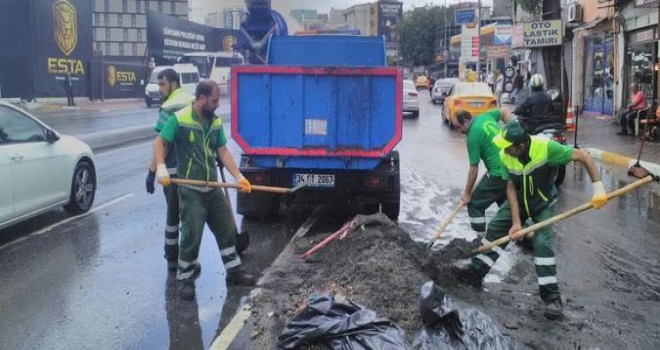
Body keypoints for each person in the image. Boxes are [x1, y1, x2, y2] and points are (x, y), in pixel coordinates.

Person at [452, 120, 608, 320]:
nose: (504, 151)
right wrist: (516, 223)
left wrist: (599, 188)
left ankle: (552, 298)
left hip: (542, 203)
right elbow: (509, 187)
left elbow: (583, 155)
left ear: (521, 146)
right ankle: (476, 271)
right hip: (518, 200)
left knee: (542, 244)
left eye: (508, 148)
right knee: (496, 229)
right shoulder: (505, 155)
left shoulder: (546, 149)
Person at [153, 80, 254, 300]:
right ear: (201, 98)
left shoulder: (215, 122)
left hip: (212, 187)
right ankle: (184, 279)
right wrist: (160, 168)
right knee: (191, 234)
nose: (218, 105)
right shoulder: (180, 119)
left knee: (226, 229)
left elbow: (223, 151)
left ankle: (234, 271)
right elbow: (159, 143)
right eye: (215, 100)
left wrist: (238, 176)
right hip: (191, 189)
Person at [146, 68, 194, 271]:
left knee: (173, 215)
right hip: (194, 171)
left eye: (162, 84)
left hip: (174, 171)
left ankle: (172, 257)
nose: (159, 89)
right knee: (190, 216)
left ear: (174, 83)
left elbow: (162, 144)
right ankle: (187, 259)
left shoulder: (169, 107)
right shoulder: (192, 99)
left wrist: (151, 172)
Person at [455, 108, 515, 233]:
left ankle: (480, 236)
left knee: (475, 203)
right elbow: (504, 111)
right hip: (513, 167)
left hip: (498, 173)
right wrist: (513, 130)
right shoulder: (485, 117)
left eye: (459, 127)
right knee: (506, 202)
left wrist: (467, 193)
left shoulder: (472, 137)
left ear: (465, 121)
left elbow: (473, 169)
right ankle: (523, 233)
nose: (459, 131)